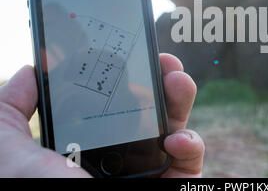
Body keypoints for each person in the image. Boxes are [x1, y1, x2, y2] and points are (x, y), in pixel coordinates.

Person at [0, 53, 205, 177]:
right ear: (48, 96)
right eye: (78, 97)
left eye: (109, 95)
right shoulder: (41, 167)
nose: (88, 105)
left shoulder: (145, 156)